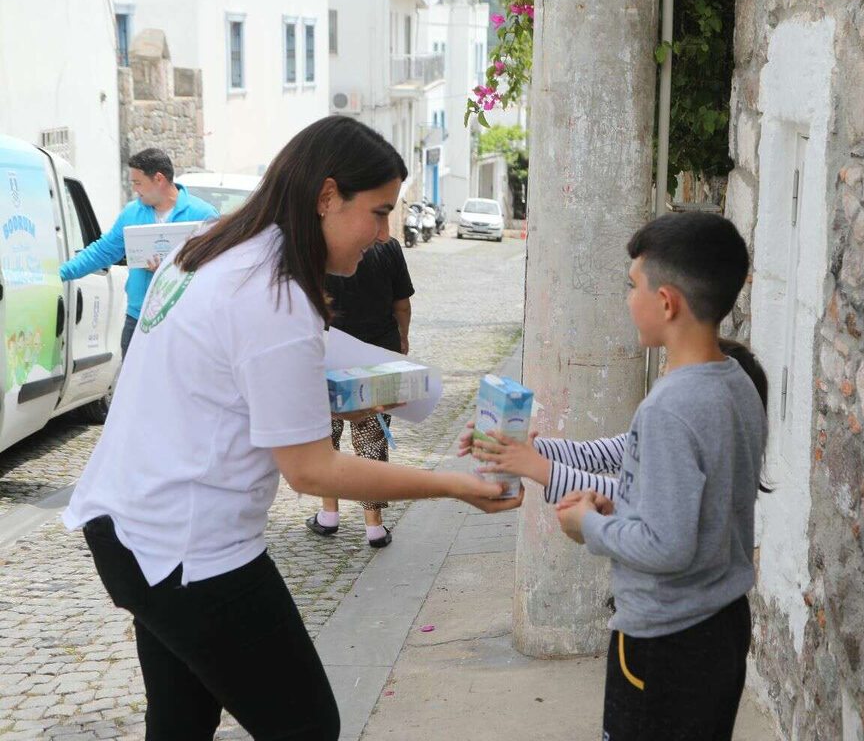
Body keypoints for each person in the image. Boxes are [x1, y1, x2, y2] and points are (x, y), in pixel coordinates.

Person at [61, 116, 520, 741]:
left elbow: (283, 357)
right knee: (305, 726)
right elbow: (310, 469)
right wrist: (454, 485)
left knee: (180, 720)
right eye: (379, 213)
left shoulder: (218, 244)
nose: (385, 235)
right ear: (327, 196)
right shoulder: (272, 291)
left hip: (128, 527)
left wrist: (412, 389)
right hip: (189, 549)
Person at [464, 212, 768, 741]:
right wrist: (540, 453)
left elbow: (665, 544)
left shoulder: (674, 405)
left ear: (667, 302)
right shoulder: (734, 381)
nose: (628, 300)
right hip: (719, 623)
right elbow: (643, 468)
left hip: (666, 639)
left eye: (633, 287)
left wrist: (589, 526)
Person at [59, 148, 219, 357]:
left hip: (185, 321)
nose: (135, 189)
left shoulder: (203, 215)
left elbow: (217, 268)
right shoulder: (132, 213)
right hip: (138, 320)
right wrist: (61, 273)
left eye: (137, 182)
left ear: (159, 179)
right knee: (134, 389)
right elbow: (103, 251)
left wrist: (172, 269)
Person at [307, 237, 415, 547]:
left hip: (328, 353)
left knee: (325, 436)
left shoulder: (318, 246)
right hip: (378, 352)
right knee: (372, 439)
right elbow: (402, 304)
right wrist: (402, 339)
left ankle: (328, 516)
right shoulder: (389, 246)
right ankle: (375, 528)